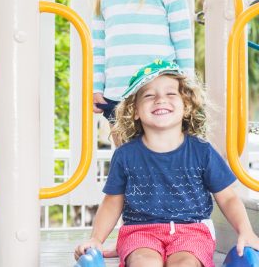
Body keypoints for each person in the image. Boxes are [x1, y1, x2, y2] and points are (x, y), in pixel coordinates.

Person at [75, 60, 259, 267]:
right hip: (140, 231)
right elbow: (112, 201)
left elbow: (228, 198)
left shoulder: (202, 151)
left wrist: (246, 231)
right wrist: (96, 239)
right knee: (144, 262)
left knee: (185, 263)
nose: (160, 100)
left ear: (186, 106)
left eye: (171, 94)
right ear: (135, 111)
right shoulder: (126, 155)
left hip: (192, 231)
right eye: (149, 95)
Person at [91, 0, 194, 146]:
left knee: (162, 158)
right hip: (118, 94)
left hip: (159, 95)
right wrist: (96, 87)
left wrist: (188, 86)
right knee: (126, 161)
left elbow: (182, 39)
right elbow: (98, 45)